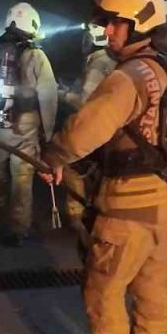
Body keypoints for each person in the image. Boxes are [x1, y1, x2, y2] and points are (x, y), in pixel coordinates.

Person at [39, 0, 167, 334]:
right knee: (153, 289)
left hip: (128, 207)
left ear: (140, 23)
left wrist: (54, 155)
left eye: (116, 23)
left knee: (102, 290)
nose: (108, 31)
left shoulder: (129, 76)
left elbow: (87, 129)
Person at [0, 3, 58, 246]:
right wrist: (48, 133)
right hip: (25, 127)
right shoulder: (37, 56)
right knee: (22, 179)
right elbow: (48, 97)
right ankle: (18, 229)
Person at [58, 21, 117, 242]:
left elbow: (84, 101)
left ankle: (77, 218)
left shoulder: (98, 63)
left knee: (71, 166)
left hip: (93, 127)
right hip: (108, 128)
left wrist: (62, 94)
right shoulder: (108, 59)